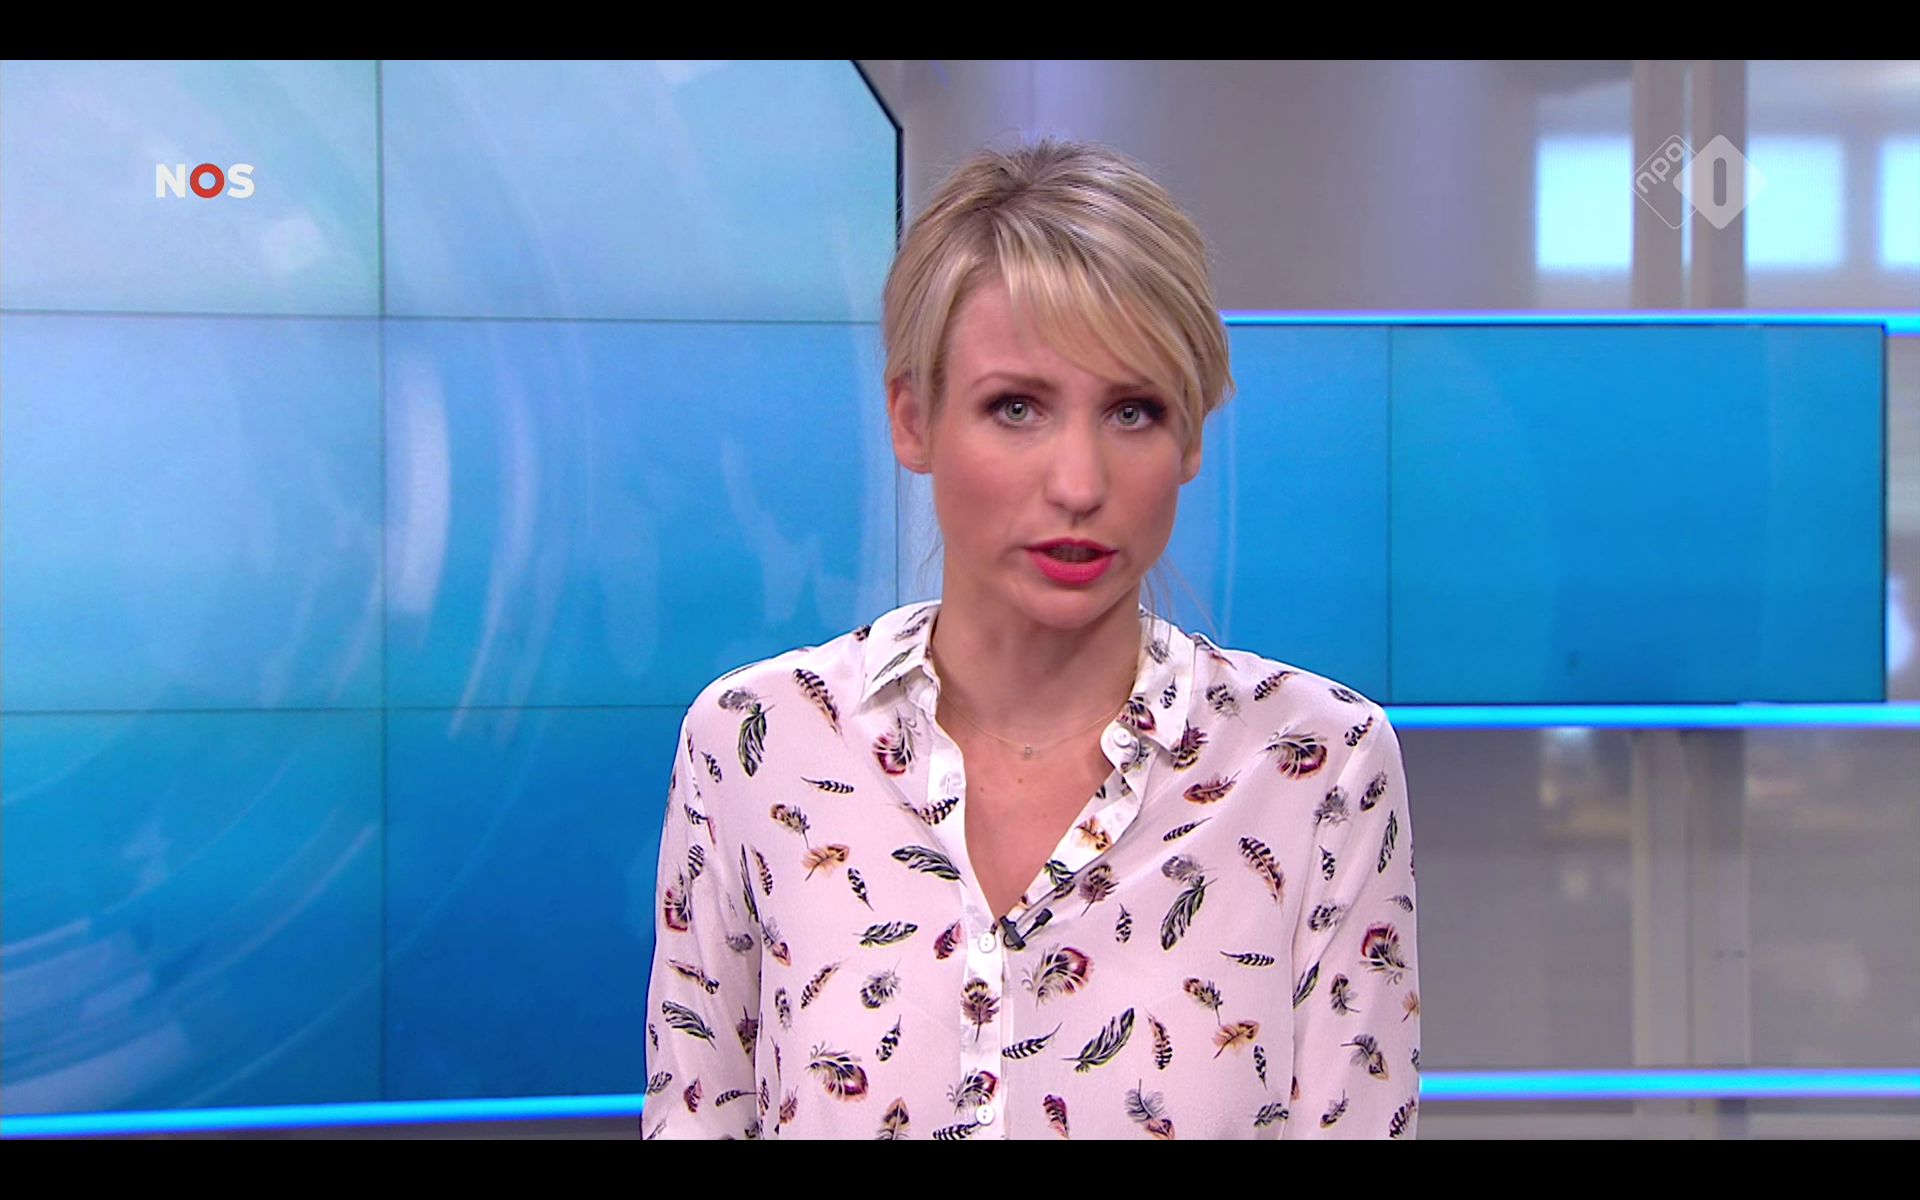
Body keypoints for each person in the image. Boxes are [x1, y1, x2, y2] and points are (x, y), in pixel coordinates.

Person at [642, 137, 1418, 1140]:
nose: (1080, 484)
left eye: (1134, 411)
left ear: (1190, 438)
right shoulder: (755, 745)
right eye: (1016, 408)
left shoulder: (1320, 766)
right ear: (913, 420)